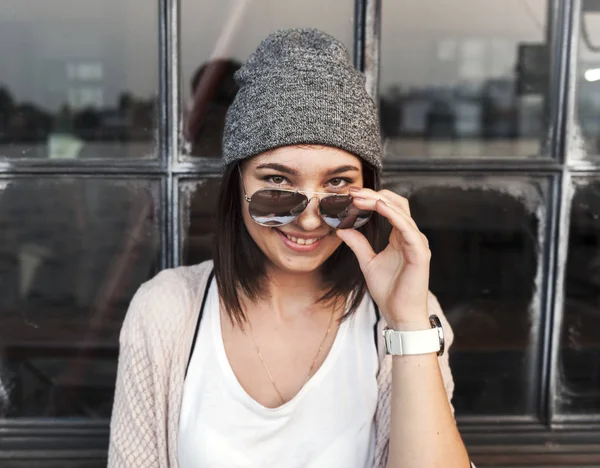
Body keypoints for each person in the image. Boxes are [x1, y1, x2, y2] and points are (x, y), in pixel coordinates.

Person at [108, 28, 472, 467]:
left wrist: (408, 321)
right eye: (277, 184)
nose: (309, 218)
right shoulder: (166, 310)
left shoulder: (401, 317)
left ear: (370, 194)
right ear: (237, 184)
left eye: (338, 184)